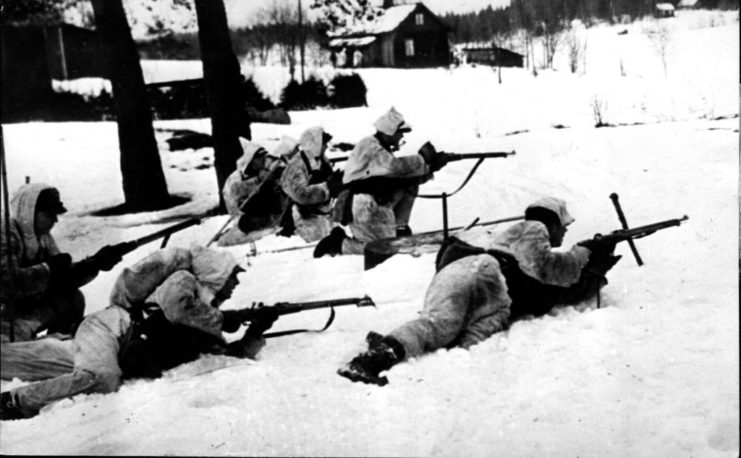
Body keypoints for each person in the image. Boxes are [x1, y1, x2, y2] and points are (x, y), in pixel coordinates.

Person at [337, 197, 622, 386]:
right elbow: (546, 269)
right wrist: (583, 253)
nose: (564, 234)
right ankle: (371, 359)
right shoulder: (534, 228)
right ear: (552, 221)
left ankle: (390, 346)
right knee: (440, 326)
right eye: (564, 227)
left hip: (464, 273)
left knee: (441, 328)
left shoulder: (506, 234)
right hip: (480, 273)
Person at [0, 246, 279, 420]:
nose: (235, 286)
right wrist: (222, 318)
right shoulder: (186, 280)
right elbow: (176, 306)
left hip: (111, 345)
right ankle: (14, 402)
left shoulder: (204, 312)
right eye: (232, 277)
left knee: (12, 359)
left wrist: (255, 331)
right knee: (102, 379)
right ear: (217, 273)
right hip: (109, 329)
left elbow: (225, 355)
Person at [313, 107, 449, 258]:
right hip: (362, 204)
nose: (401, 136)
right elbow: (394, 166)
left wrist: (431, 168)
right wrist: (423, 161)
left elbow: (402, 177)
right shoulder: (371, 146)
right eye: (399, 132)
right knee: (380, 249)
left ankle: (399, 228)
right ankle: (339, 244)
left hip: (374, 203)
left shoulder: (381, 149)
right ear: (389, 132)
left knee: (409, 186)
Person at [0, 183, 122, 343]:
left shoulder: (38, 236)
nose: (55, 220)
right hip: (5, 316)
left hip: (25, 309)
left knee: (72, 299)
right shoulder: (6, 234)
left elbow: (63, 280)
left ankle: (61, 345)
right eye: (49, 215)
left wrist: (94, 264)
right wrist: (48, 268)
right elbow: (7, 283)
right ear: (29, 213)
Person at [218, 137, 299, 246]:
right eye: (260, 158)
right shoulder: (236, 177)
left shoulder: (263, 172)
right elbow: (235, 192)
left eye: (263, 157)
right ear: (251, 159)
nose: (263, 160)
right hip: (244, 217)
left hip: (269, 214)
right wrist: (258, 181)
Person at [279, 126, 343, 243]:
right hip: (303, 219)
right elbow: (301, 195)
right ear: (315, 144)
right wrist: (328, 187)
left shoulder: (322, 160)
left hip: (323, 215)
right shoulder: (296, 166)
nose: (326, 147)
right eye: (323, 144)